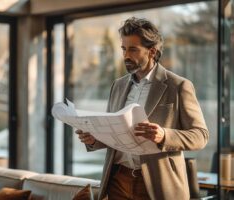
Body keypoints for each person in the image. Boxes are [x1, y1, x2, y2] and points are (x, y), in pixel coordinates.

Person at [76, 17, 209, 200]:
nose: (125, 55)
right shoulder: (118, 85)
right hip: (117, 180)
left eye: (133, 49)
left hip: (157, 183)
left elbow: (200, 136)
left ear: (152, 51)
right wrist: (93, 139)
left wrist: (163, 135)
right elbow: (114, 133)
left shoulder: (178, 86)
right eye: (123, 49)